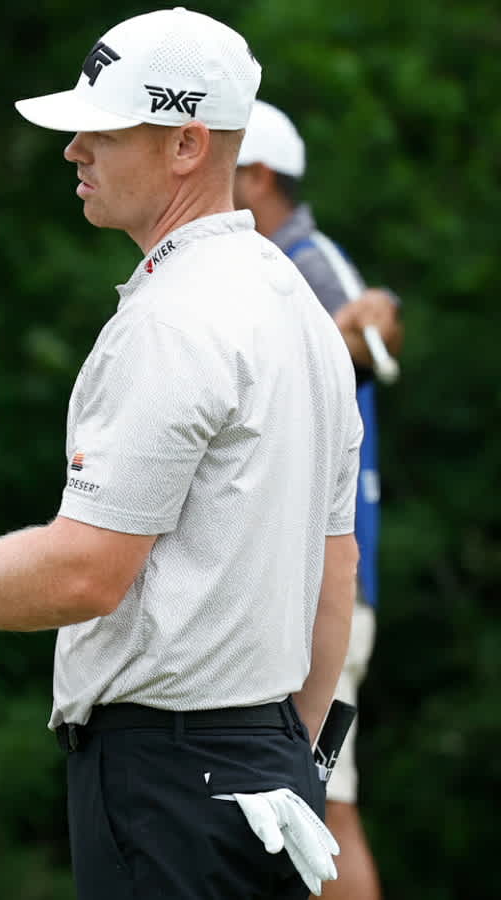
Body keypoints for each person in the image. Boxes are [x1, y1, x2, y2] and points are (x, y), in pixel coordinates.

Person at [0, 9, 361, 899]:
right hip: (262, 775)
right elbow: (334, 569)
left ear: (187, 144)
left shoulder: (170, 323)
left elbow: (85, 575)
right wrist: (294, 763)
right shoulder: (298, 310)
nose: (74, 148)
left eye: (103, 130)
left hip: (168, 783)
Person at [235, 99, 401, 900]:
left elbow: (372, 333)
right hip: (302, 588)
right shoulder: (268, 265)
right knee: (296, 805)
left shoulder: (303, 260)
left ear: (256, 176)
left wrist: (371, 321)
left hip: (323, 591)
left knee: (321, 806)